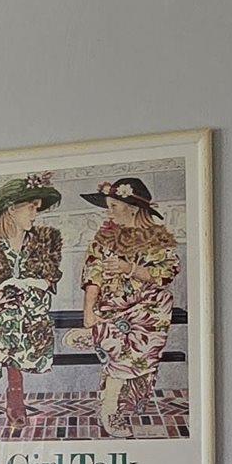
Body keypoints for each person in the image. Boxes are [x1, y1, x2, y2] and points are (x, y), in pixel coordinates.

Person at [76, 176, 180, 435]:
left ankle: (102, 336)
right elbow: (92, 276)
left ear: (132, 208)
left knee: (159, 303)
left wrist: (130, 269)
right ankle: (111, 409)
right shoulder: (104, 238)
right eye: (108, 207)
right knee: (126, 342)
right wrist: (88, 311)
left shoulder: (158, 239)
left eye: (113, 206)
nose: (109, 212)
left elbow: (167, 273)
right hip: (113, 305)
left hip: (145, 310)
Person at [0, 174, 64, 432]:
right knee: (9, 312)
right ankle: (15, 397)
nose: (35, 214)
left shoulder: (46, 239)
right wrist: (10, 287)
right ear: (11, 209)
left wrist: (21, 284)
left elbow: (48, 282)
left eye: (37, 208)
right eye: (31, 207)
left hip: (35, 308)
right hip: (7, 311)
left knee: (9, 310)